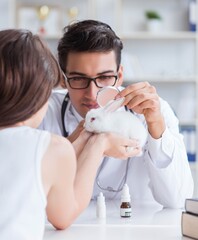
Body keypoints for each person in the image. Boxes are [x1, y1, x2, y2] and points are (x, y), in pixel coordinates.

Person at [0, 29, 140, 240]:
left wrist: (84, 133)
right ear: (39, 96)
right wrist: (98, 145)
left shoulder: (51, 149)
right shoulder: (50, 147)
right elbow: (63, 217)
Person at [40, 20, 194, 208]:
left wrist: (156, 127)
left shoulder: (152, 111)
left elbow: (177, 200)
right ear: (64, 80)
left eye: (104, 77)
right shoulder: (44, 112)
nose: (92, 93)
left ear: (119, 76)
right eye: (79, 78)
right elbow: (29, 190)